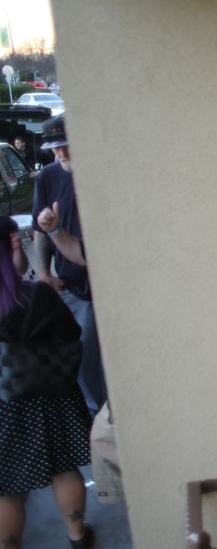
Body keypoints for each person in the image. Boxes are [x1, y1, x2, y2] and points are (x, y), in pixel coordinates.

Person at [0, 216, 95, 548]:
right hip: (53, 395)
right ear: (11, 245)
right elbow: (72, 333)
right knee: (64, 468)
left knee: (8, 486)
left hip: (5, 406)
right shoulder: (38, 295)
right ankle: (78, 536)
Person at [30, 115, 107, 414]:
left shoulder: (101, 174)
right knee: (83, 358)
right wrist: (44, 272)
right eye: (55, 147)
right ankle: (97, 416)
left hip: (108, 285)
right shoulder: (48, 177)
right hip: (72, 285)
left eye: (67, 145)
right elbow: (40, 230)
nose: (62, 153)